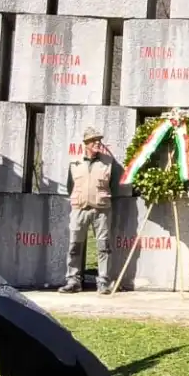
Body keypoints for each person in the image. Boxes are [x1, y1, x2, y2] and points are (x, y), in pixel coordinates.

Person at [62, 126, 116, 293]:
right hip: (79, 209)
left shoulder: (108, 163)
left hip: (102, 210)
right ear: (86, 144)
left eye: (99, 140)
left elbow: (113, 186)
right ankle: (73, 281)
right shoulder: (74, 163)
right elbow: (69, 186)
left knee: (103, 246)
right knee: (74, 246)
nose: (98, 143)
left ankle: (103, 282)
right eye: (94, 141)